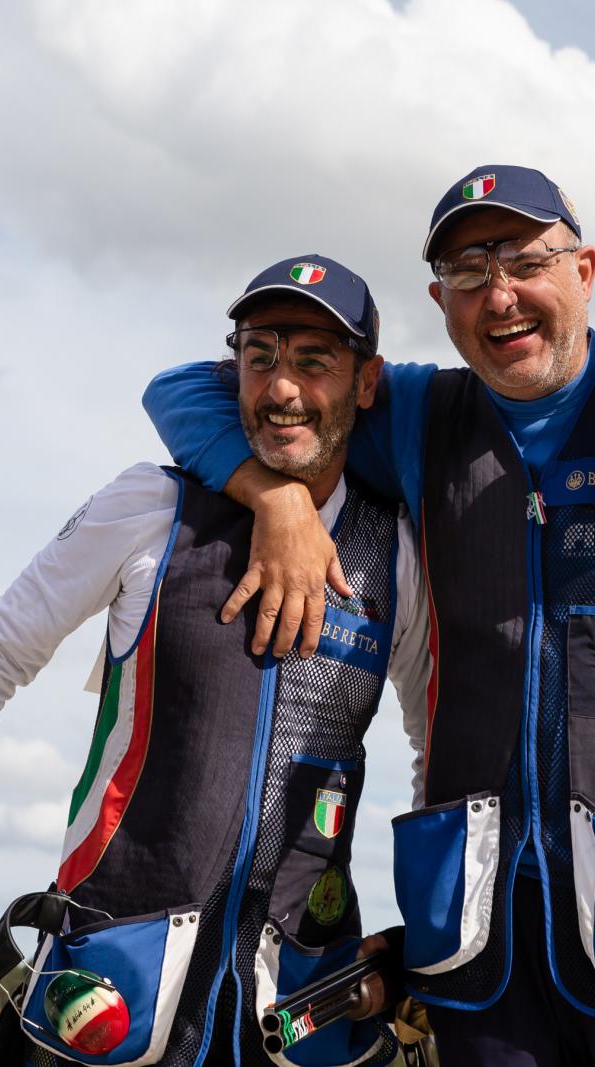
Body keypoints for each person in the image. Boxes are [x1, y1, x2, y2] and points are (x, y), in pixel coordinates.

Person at [0, 255, 429, 1067]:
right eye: (259, 357)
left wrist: (429, 932)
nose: (281, 389)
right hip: (106, 998)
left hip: (291, 1013)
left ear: (366, 383)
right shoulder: (150, 504)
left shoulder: (393, 552)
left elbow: (436, 737)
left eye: (313, 362)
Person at [142, 164, 595, 1066]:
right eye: (469, 272)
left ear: (585, 271)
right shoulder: (424, 414)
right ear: (440, 299)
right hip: (476, 936)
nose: (499, 294)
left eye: (525, 260)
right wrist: (272, 497)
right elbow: (186, 391)